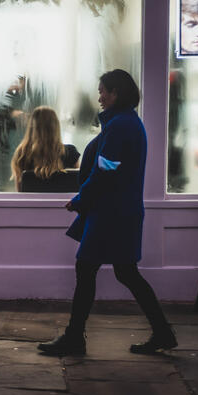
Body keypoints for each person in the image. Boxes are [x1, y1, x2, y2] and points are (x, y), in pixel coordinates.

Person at [38, 69, 177, 356]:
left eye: (103, 91)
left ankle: (75, 337)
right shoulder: (123, 123)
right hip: (116, 211)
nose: (99, 96)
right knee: (125, 272)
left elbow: (107, 170)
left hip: (112, 213)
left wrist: (81, 199)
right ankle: (162, 332)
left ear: (116, 93)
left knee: (88, 269)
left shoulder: (121, 126)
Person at [10, 106, 80, 191]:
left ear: (32, 126)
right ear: (56, 126)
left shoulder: (22, 153)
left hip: (32, 204)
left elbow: (20, 193)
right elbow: (77, 188)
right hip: (63, 204)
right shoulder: (70, 152)